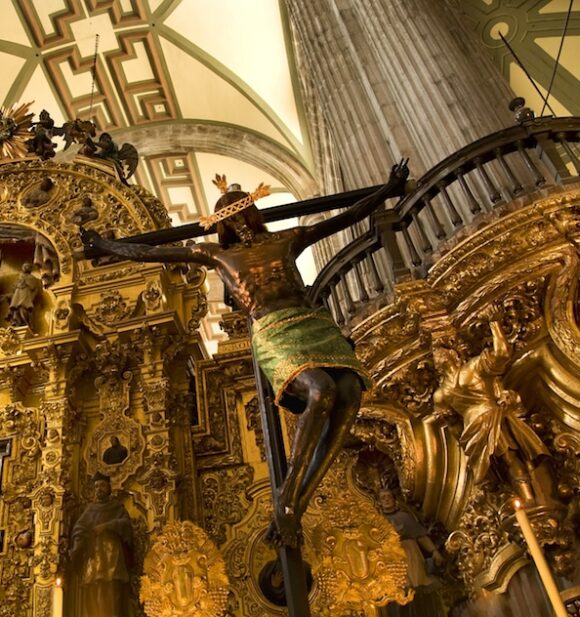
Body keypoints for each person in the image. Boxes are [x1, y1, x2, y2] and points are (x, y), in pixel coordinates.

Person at [81, 160, 408, 544]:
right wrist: (105, 246)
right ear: (220, 226)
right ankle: (287, 497)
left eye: (241, 215)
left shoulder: (285, 240)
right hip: (274, 331)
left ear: (252, 214)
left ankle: (293, 505)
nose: (236, 225)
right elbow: (152, 254)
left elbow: (342, 219)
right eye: (228, 220)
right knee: (322, 391)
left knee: (350, 393)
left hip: (312, 322)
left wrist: (387, 190)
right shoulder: (217, 256)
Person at [433, 321, 551, 506]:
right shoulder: (444, 392)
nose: (441, 359)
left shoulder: (469, 370)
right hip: (477, 425)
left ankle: (528, 496)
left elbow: (502, 354)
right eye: (439, 358)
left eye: (442, 356)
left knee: (509, 457)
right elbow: (454, 427)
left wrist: (495, 324)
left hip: (489, 418)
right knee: (502, 463)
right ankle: (522, 495)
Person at [68, 473, 135, 617]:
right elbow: (80, 528)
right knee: (95, 589)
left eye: (102, 485)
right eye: (96, 486)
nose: (99, 489)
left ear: (109, 488)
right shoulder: (90, 509)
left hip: (112, 555)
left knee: (112, 589)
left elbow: (125, 524)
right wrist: (77, 546)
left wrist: (108, 526)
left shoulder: (117, 507)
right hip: (94, 555)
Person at [8, 262, 43, 328]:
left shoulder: (32, 278)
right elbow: (14, 287)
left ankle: (25, 323)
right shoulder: (20, 277)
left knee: (23, 308)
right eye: (24, 266)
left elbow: (33, 287)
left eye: (27, 266)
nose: (25, 268)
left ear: (30, 269)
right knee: (16, 309)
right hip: (18, 296)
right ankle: (17, 322)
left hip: (26, 296)